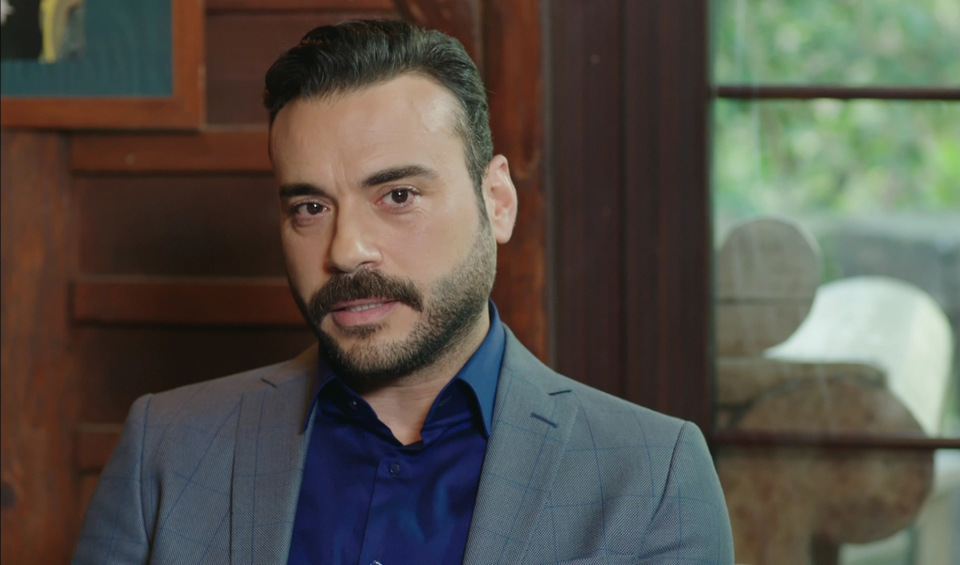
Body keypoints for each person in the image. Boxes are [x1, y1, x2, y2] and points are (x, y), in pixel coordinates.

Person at [73, 19, 733, 565]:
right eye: (310, 207)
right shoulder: (165, 449)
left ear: (497, 201)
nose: (345, 249)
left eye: (397, 195)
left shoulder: (651, 477)